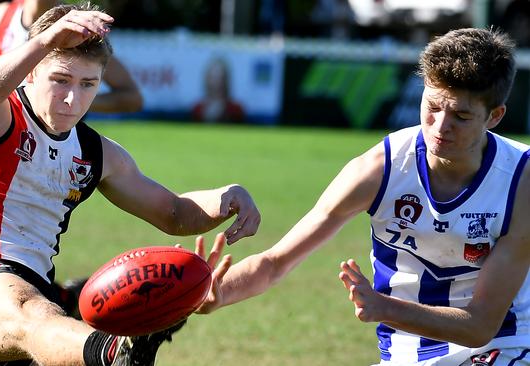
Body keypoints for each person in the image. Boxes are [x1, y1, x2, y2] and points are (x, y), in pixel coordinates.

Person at [0, 4, 259, 365]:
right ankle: (115, 353)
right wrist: (46, 39)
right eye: (61, 80)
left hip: (41, 296)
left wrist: (228, 198)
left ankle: (85, 319)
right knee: (28, 309)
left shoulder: (95, 153)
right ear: (34, 72)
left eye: (88, 85)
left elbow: (174, 212)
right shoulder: (0, 118)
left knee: (57, 305)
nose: (73, 99)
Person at [199, 28, 530, 365]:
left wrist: (384, 306)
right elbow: (274, 263)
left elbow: (480, 326)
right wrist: (219, 292)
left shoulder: (522, 181)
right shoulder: (377, 170)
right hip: (405, 355)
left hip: (501, 347)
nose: (440, 126)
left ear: (495, 116)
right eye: (432, 106)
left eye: (461, 116)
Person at [0, 0, 143, 114]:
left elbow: (132, 99)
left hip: (51, 146)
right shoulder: (3, 13)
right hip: (0, 131)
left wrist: (70, 99)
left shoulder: (71, 28)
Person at [191, 57, 245, 124]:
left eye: (220, 77)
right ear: (206, 79)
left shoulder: (236, 109)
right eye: (213, 77)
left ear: (226, 80)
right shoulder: (197, 109)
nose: (217, 82)